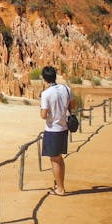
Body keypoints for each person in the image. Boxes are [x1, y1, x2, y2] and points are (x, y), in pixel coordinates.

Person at [39, 65, 75, 196]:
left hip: (52, 129)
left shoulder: (46, 94)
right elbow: (72, 105)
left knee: (54, 159)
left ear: (44, 79)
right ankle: (60, 184)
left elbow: (43, 115)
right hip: (64, 128)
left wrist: (48, 113)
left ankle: (60, 189)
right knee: (59, 158)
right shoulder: (66, 88)